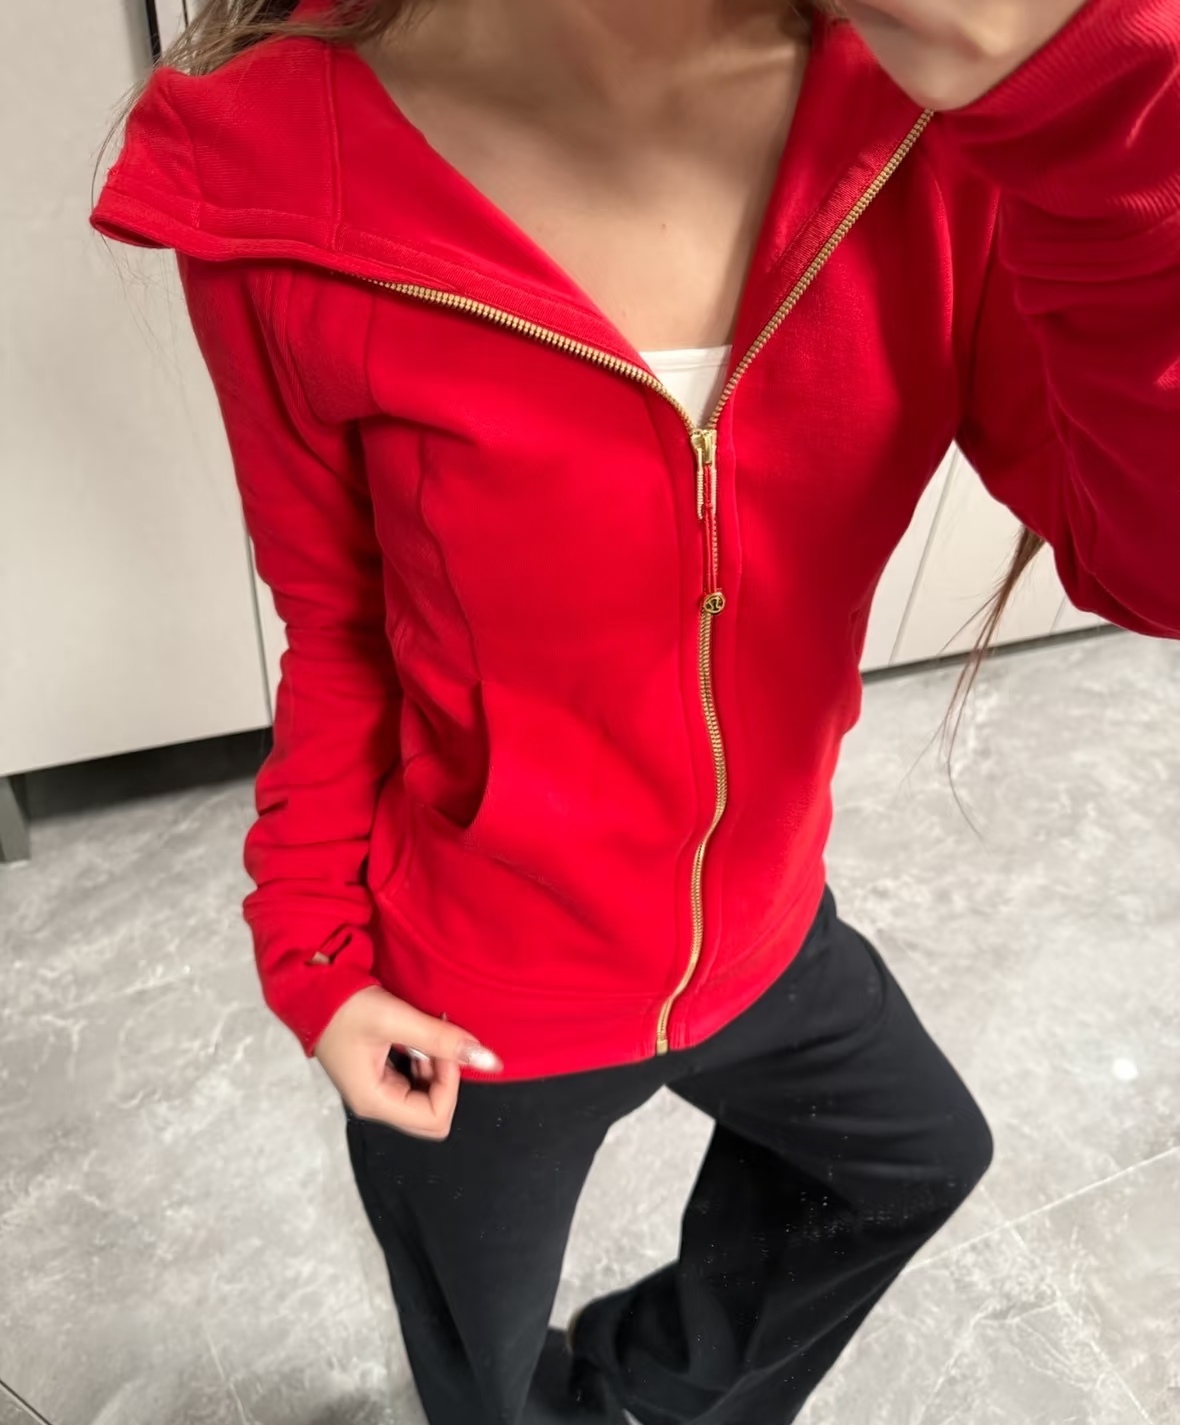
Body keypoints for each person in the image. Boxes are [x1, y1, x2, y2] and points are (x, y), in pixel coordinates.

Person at [91, 0, 1180, 1420]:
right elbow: (337, 625)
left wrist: (1092, 96)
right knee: (479, 1373)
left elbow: (1153, 562)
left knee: (914, 1161)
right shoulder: (284, 171)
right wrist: (312, 955)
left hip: (767, 936)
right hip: (479, 997)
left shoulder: (937, 123)